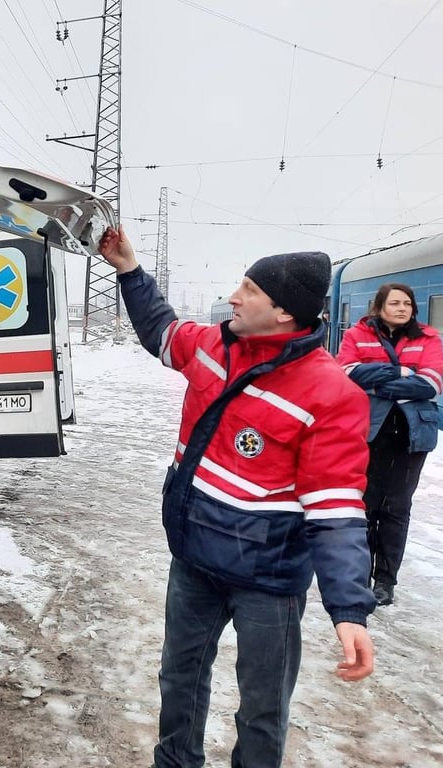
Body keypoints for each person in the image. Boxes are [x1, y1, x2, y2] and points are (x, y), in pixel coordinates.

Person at [98, 225, 375, 768]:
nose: (233, 296)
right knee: (179, 680)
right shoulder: (210, 347)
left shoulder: (330, 394)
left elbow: (337, 511)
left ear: (284, 315)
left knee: (262, 709)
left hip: (268, 582)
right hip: (196, 561)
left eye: (249, 289)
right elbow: (159, 327)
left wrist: (349, 609)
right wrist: (130, 270)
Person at [335, 283, 443, 607]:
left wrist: (376, 382)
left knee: (396, 508)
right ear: (379, 306)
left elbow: (430, 384)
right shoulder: (357, 335)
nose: (402, 308)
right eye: (394, 303)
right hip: (367, 432)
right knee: (364, 507)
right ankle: (360, 577)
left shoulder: (428, 338)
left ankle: (385, 581)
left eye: (407, 303)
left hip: (410, 437)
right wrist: (399, 371)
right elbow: (346, 374)